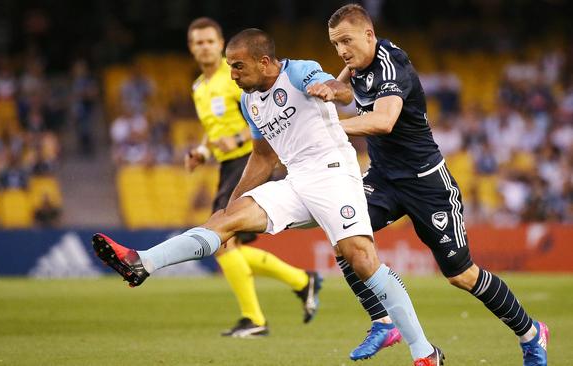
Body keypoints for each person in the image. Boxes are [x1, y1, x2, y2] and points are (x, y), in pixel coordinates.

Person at [92, 28, 443, 366]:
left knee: (361, 259)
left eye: (238, 65)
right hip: (296, 180)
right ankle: (142, 262)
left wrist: (331, 91)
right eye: (230, 66)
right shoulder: (250, 102)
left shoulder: (300, 71)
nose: (232, 74)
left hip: (334, 173)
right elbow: (262, 157)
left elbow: (346, 93)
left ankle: (424, 352)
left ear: (263, 61)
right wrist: (236, 200)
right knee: (222, 220)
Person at [325, 4, 549, 365]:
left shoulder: (391, 66)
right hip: (383, 178)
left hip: (427, 183)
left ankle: (531, 333)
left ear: (369, 35)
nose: (342, 51)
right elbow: (346, 85)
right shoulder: (357, 62)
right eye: (335, 44)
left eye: (346, 41)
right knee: (344, 236)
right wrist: (329, 89)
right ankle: (383, 323)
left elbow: (383, 122)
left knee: (462, 275)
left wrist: (328, 126)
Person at [183, 17, 323, 337]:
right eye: (197, 42)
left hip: (247, 163)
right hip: (226, 166)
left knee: (221, 240)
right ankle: (303, 282)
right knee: (229, 243)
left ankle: (255, 319)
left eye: (209, 41)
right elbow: (212, 131)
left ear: (220, 44)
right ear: (191, 48)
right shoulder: (199, 88)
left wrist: (235, 141)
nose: (204, 47)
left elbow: (258, 120)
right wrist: (202, 153)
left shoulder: (235, 76)